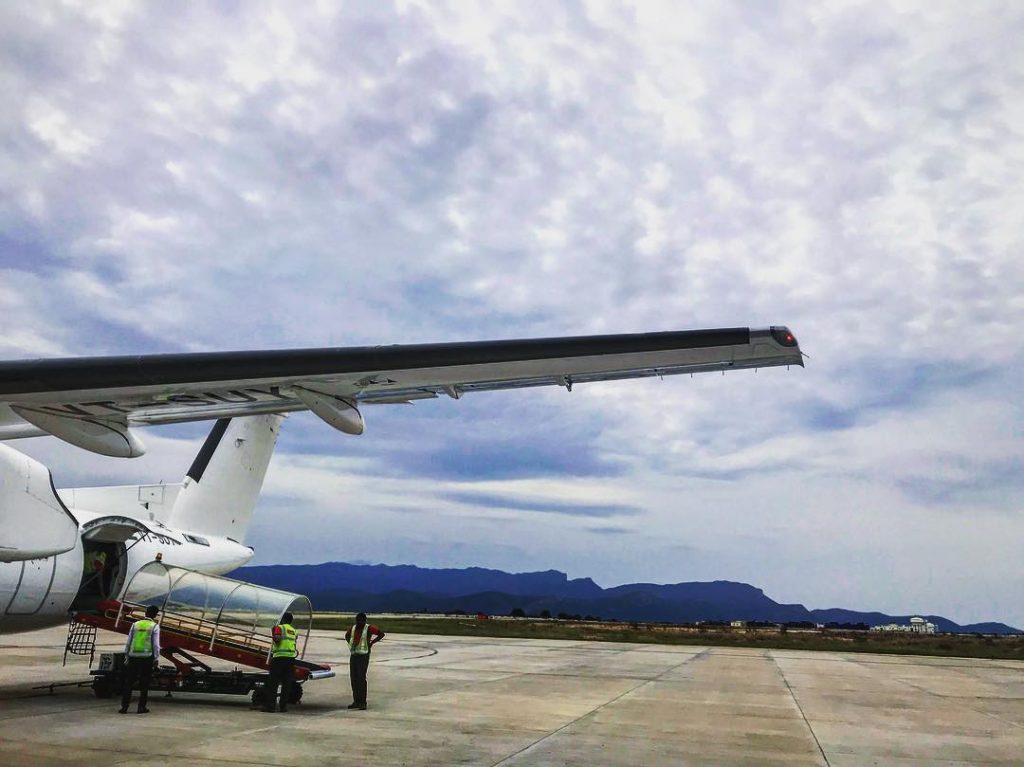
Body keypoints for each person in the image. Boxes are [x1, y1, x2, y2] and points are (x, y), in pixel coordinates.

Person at [119, 605, 160, 714]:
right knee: (144, 683)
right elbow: (156, 645)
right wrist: (156, 658)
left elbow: (129, 641)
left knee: (129, 683)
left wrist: (127, 655)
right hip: (147, 657)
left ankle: (124, 707)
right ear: (155, 615)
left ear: (145, 613)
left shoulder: (135, 624)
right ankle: (141, 707)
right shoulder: (154, 626)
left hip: (133, 656)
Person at [345, 612, 384, 710]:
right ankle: (356, 701)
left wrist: (371, 643)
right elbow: (347, 636)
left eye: (362, 620)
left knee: (361, 678)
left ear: (365, 621)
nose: (360, 622)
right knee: (354, 678)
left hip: (363, 656)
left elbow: (381, 634)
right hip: (354, 655)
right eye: (358, 620)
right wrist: (351, 644)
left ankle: (363, 702)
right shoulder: (353, 628)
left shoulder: (369, 628)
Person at [263, 611, 298, 712]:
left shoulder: (280, 628)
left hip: (279, 658)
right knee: (286, 683)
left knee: (273, 683)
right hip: (290, 659)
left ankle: (270, 706)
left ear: (284, 619)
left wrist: (273, 632)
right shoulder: (294, 631)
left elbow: (277, 639)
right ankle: (283, 707)